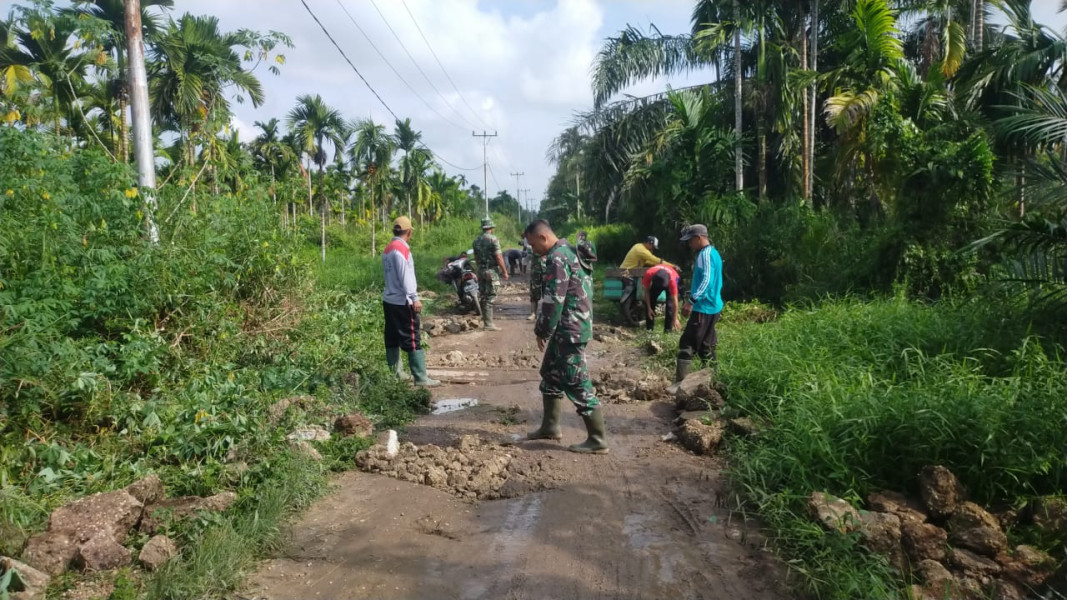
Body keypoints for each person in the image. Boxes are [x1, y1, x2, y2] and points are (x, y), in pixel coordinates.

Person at [524, 219, 608, 455]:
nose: (533, 250)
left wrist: (541, 329)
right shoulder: (570, 251)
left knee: (577, 381)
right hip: (572, 327)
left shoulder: (558, 257)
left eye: (533, 244)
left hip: (570, 330)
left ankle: (598, 439)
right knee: (550, 374)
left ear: (543, 238)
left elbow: (553, 300)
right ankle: (550, 426)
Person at [382, 216, 439, 387]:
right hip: (402, 301)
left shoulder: (388, 249)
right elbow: (405, 276)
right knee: (412, 337)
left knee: (392, 337)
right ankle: (421, 377)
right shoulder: (402, 250)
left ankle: (397, 374)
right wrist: (414, 297)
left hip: (389, 299)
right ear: (409, 232)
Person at [675, 224, 723, 383]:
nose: (689, 244)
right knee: (706, 347)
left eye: (690, 241)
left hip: (704, 307)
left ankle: (680, 386)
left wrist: (691, 301)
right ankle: (713, 382)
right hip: (712, 306)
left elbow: (707, 280)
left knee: (687, 344)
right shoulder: (714, 253)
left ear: (698, 238)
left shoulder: (705, 254)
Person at [472, 218, 509, 330]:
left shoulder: (476, 240)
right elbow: (498, 257)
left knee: (483, 295)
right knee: (491, 296)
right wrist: (504, 271)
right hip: (491, 271)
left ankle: (487, 323)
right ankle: (488, 324)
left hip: (481, 270)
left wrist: (479, 268)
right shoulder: (493, 240)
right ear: (491, 228)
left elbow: (476, 257)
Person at [642, 263, 681, 332]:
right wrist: (648, 308)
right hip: (658, 280)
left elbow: (675, 302)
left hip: (671, 277)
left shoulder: (673, 281)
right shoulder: (649, 273)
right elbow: (646, 292)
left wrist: (675, 318)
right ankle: (649, 329)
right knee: (651, 300)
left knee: (670, 306)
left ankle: (668, 330)